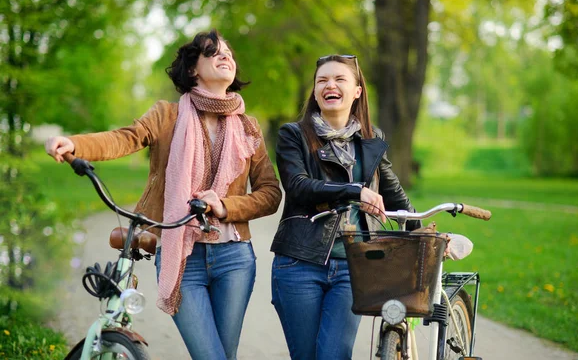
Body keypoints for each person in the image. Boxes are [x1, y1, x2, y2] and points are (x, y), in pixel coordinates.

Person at [45, 29, 282, 360]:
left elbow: (270, 193)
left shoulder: (249, 128)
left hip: (234, 257)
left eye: (228, 52)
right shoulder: (167, 116)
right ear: (192, 69)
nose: (225, 56)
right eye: (213, 52)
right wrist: (76, 144)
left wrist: (226, 206)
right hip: (182, 257)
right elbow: (124, 138)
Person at [270, 54, 421, 360]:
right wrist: (354, 191)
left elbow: (392, 192)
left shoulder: (371, 138)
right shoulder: (293, 135)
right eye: (322, 80)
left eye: (340, 79)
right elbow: (298, 186)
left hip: (353, 267)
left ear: (357, 91)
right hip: (299, 263)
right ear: (314, 92)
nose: (330, 85)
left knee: (334, 355)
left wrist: (421, 229)